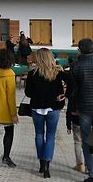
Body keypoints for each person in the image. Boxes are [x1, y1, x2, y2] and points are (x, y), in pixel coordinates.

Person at [25, 48, 65, 178]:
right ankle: (47, 163)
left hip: (37, 108)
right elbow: (61, 90)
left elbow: (28, 93)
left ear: (38, 58)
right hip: (53, 108)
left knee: (39, 134)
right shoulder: (57, 73)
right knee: (51, 136)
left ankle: (41, 162)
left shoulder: (32, 74)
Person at [72, 38, 93, 182]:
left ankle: (91, 172)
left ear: (79, 49)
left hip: (84, 106)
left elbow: (74, 90)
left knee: (86, 140)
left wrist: (74, 108)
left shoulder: (76, 65)